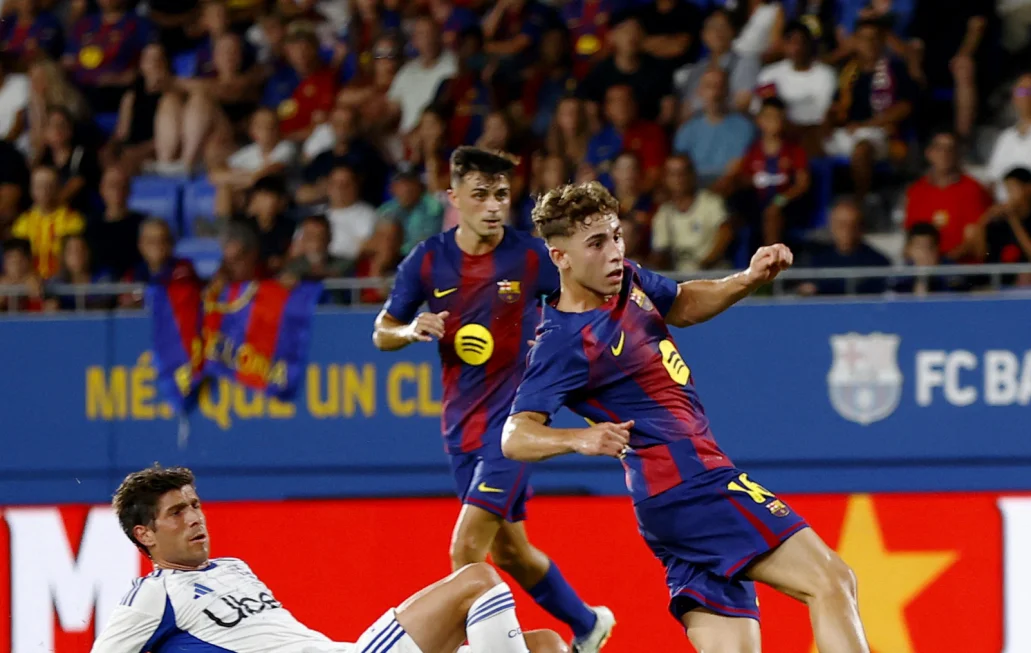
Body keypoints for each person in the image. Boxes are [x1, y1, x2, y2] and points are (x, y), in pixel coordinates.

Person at [504, 182, 870, 653]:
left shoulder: (628, 282)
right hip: (694, 484)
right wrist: (577, 439)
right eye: (596, 244)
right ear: (560, 258)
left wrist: (747, 279)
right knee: (832, 582)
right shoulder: (562, 339)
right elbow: (515, 435)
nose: (614, 251)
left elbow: (681, 303)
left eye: (616, 235)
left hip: (667, 504)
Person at [371, 147, 615, 653]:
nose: (492, 205)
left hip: (512, 429)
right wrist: (412, 329)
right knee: (511, 550)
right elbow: (382, 331)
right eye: (480, 194)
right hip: (460, 428)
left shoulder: (530, 257)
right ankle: (588, 623)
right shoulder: (427, 260)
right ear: (454, 197)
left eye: (502, 195)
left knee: (467, 551)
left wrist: (556, 335)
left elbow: (589, 296)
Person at [90, 464, 568, 653]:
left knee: (545, 645)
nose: (195, 517)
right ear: (144, 534)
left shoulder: (233, 568)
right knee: (477, 579)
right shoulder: (153, 596)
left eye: (195, 504)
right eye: (177, 512)